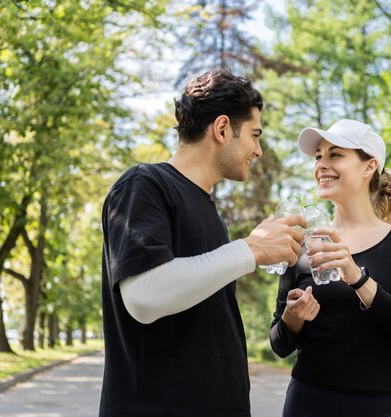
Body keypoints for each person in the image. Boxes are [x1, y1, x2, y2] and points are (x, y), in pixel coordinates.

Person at [99, 68, 306, 417]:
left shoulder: (209, 213)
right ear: (222, 129)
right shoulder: (144, 184)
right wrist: (251, 250)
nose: (258, 150)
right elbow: (144, 297)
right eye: (255, 135)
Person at [269, 119, 391, 417]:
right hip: (308, 398)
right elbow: (279, 343)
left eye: (335, 154)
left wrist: (356, 277)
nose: (321, 164)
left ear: (369, 166)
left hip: (379, 403)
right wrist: (292, 318)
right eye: (319, 156)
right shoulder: (302, 242)